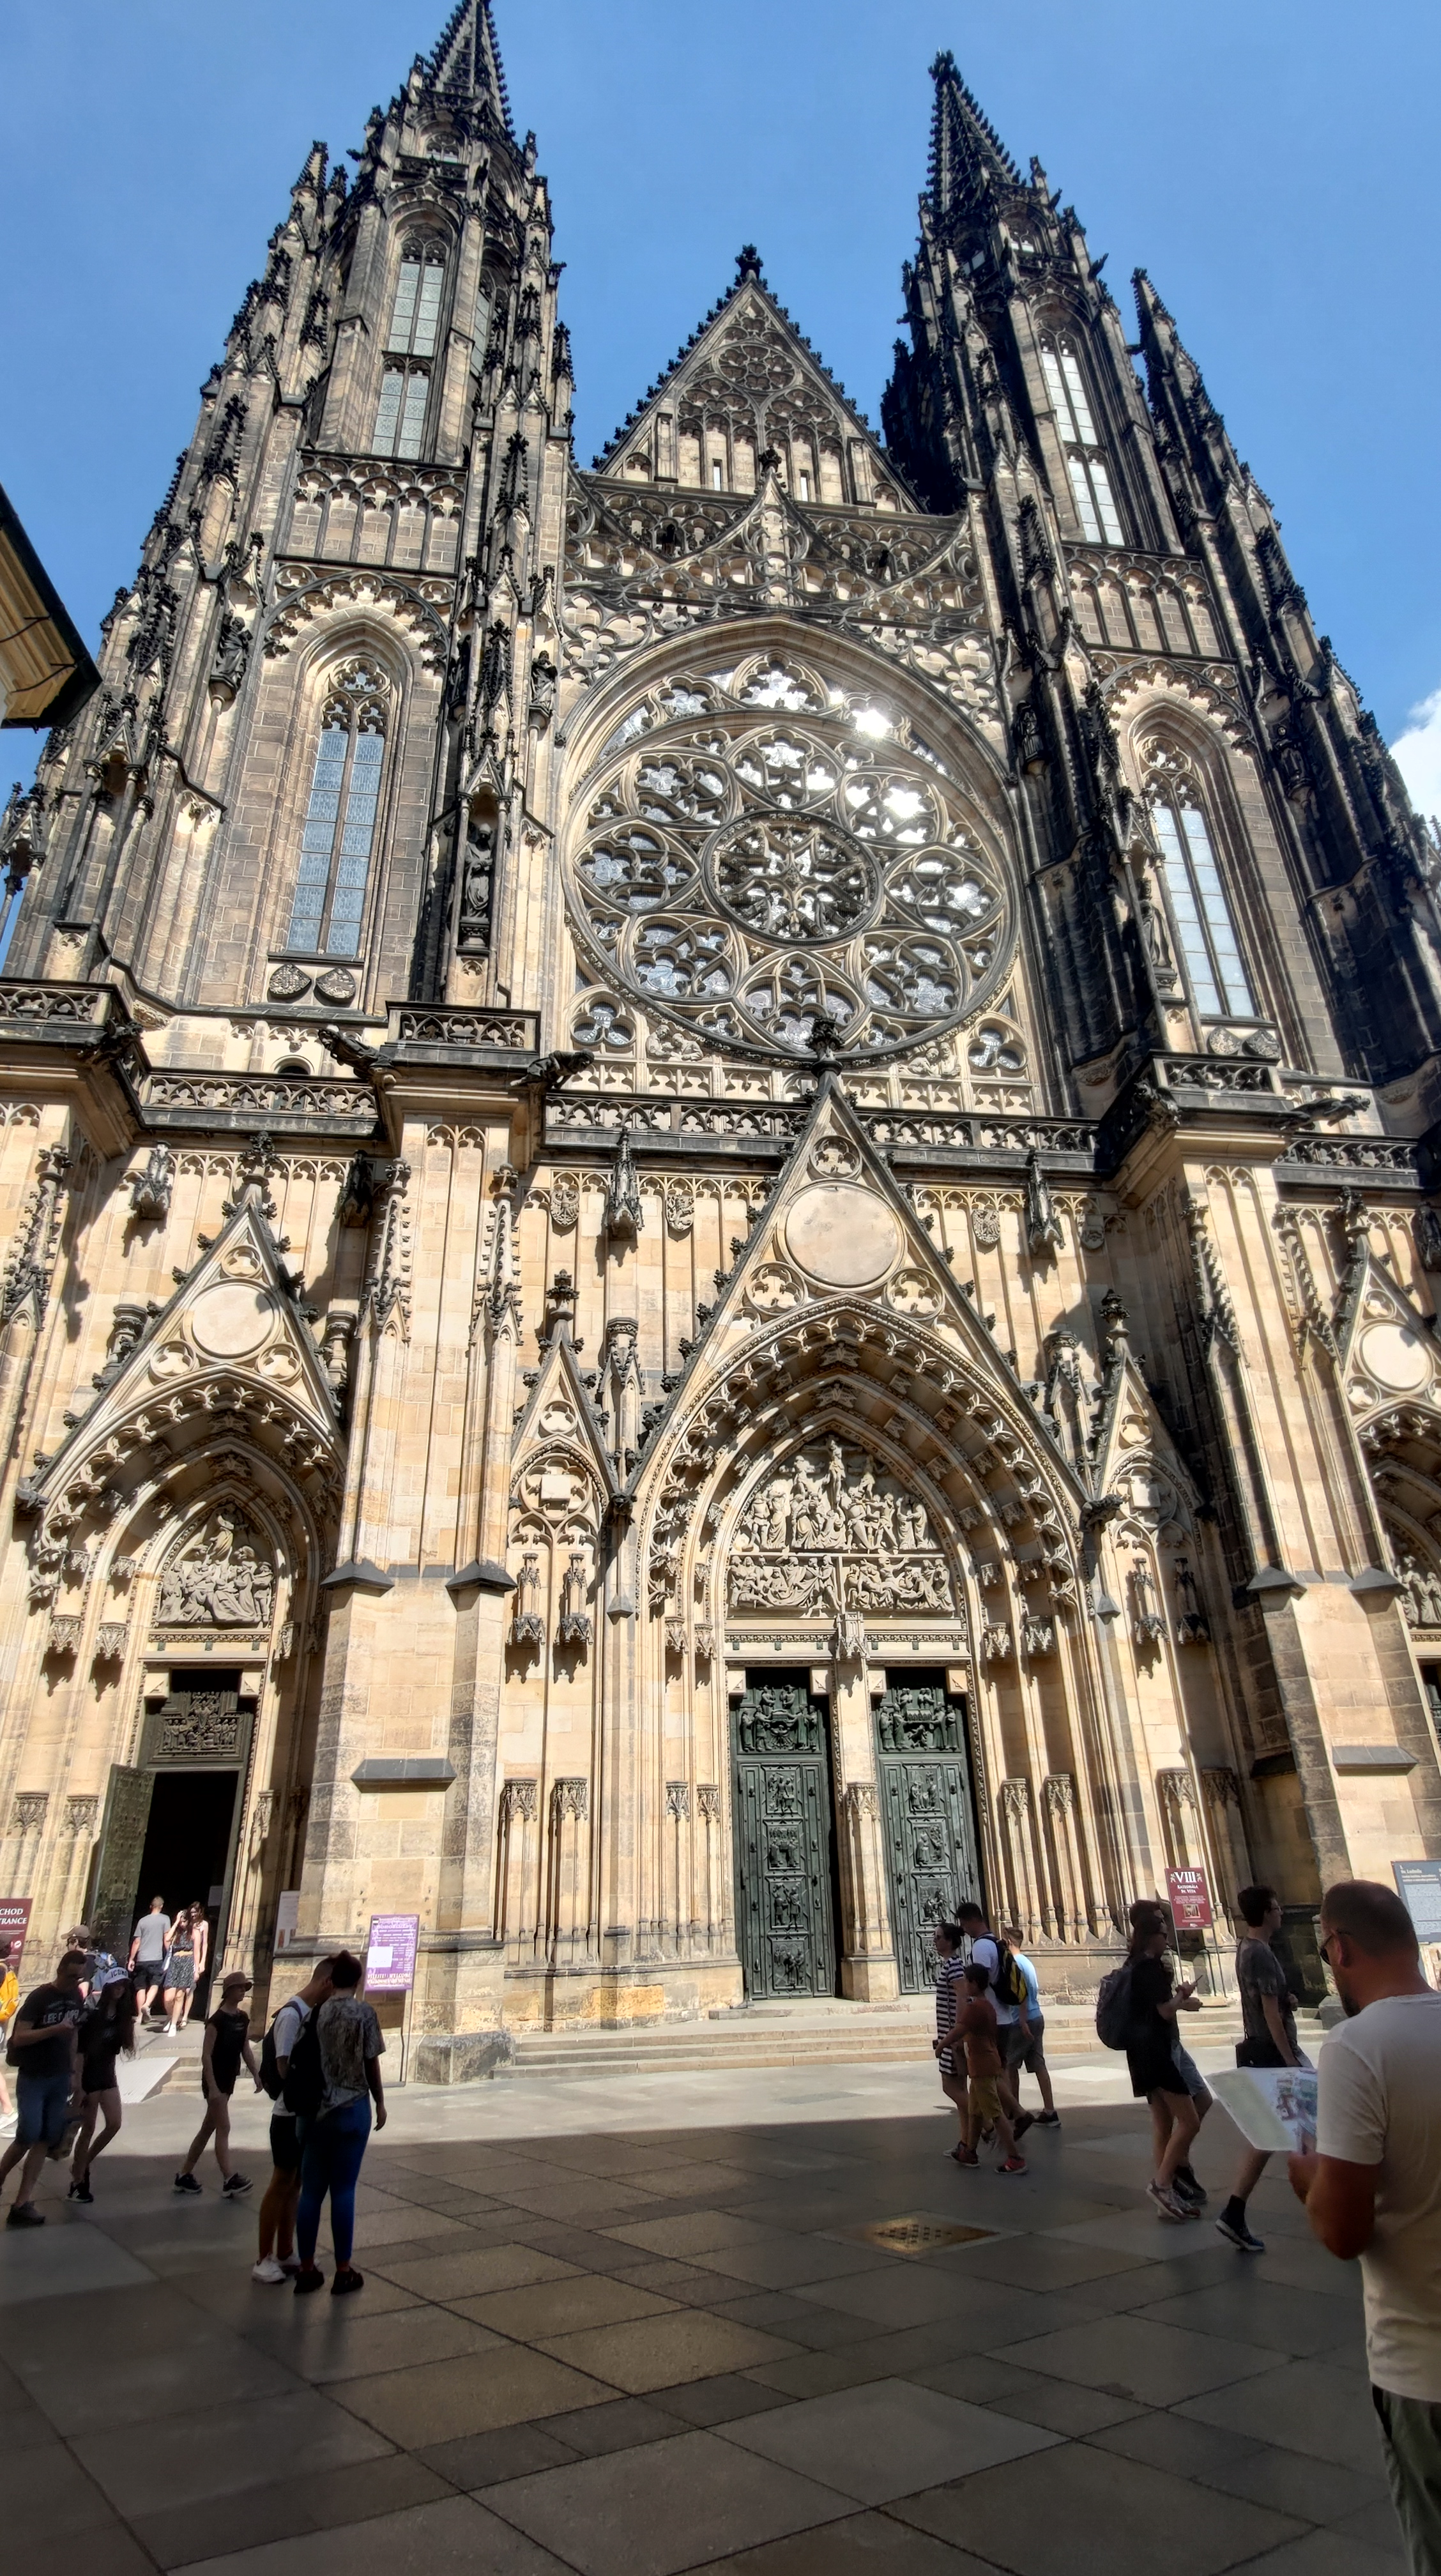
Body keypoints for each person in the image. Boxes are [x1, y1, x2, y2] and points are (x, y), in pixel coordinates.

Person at [1289, 1878, 1441, 2576]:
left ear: (1339, 1949)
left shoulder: (1356, 2047)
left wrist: (1307, 2179)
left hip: (1422, 2366)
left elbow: (1343, 2233)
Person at [1215, 1882, 1305, 2254]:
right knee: (1306, 2127)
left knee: (1272, 2135)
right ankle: (1336, 2208)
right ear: (1267, 1913)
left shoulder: (1247, 1948)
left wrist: (1285, 2000)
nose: (1282, 1912)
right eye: (1278, 1907)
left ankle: (1234, 2212)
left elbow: (1268, 2002)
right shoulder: (1262, 1954)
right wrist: (1290, 2060)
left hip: (1263, 2050)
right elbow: (1269, 2013)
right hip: (1274, 2053)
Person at [292, 1949, 386, 2296]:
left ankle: (306, 2269)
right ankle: (343, 2271)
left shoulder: (315, 2013)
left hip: (317, 2111)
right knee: (344, 2190)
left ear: (332, 1980)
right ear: (358, 1981)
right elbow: (371, 2062)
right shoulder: (364, 2013)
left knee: (311, 2192)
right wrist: (380, 2102)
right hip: (352, 2107)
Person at [1124, 1899, 1207, 2221]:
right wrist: (1181, 1997)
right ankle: (1163, 2183)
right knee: (1189, 2121)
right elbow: (1162, 2012)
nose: (1167, 1939)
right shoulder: (1151, 1969)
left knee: (1163, 2121)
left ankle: (1168, 2188)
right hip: (1157, 2052)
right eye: (1163, 1933)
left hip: (1142, 2052)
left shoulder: (1135, 1965)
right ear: (1152, 1937)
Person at [253, 1957, 335, 2285]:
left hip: (301, 2112)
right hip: (287, 2114)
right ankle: (263, 2258)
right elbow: (283, 2065)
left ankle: (285, 2251)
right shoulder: (291, 2015)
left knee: (294, 2183)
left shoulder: (308, 2012)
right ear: (327, 1983)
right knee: (281, 2181)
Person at [0, 1947, 87, 2227]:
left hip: (59, 2075)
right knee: (28, 2134)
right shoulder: (40, 1997)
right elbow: (20, 2037)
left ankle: (22, 2202)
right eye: (72, 1976)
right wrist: (54, 2030)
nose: (76, 1982)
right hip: (34, 2075)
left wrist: (74, 2071)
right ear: (60, 1970)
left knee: (46, 2137)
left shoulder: (76, 1997)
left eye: (80, 1977)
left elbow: (74, 2034)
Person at [174, 1973, 256, 2196]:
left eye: (244, 1987)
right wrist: (212, 2087)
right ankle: (229, 2178)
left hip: (229, 2079)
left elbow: (245, 2048)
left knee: (207, 2129)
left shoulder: (243, 2018)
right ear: (228, 1991)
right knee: (224, 2127)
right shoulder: (216, 2021)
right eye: (238, 1987)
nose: (242, 1991)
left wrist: (256, 2074)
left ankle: (184, 2175)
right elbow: (206, 2055)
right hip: (216, 2080)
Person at [950, 1960, 1025, 2174]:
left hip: (982, 2067)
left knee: (995, 2114)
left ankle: (1015, 2158)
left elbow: (959, 2030)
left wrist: (942, 2046)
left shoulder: (975, 2008)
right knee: (975, 2112)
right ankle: (970, 2152)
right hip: (984, 2065)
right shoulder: (988, 2006)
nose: (964, 1985)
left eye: (967, 1981)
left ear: (974, 1984)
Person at [68, 1975, 137, 2202]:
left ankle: (83, 2164)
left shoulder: (122, 2017)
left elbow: (124, 2048)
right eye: (116, 1985)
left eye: (123, 1986)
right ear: (107, 1987)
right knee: (88, 2129)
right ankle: (78, 2181)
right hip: (90, 2075)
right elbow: (80, 2052)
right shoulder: (93, 2015)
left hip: (108, 2074)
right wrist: (78, 2082)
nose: (119, 1989)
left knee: (114, 2123)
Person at [956, 1901, 1022, 2119]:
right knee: (995, 2070)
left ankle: (1010, 2115)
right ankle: (997, 2120)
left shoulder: (981, 1947)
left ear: (973, 1920)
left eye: (964, 1924)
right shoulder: (995, 1942)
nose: (964, 1929)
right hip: (1003, 2015)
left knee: (992, 2072)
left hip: (991, 2018)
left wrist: (970, 2014)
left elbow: (979, 1982)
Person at [1001, 1922, 1059, 2136]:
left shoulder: (1014, 1964)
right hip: (1037, 2016)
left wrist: (1022, 2021)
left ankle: (1014, 2110)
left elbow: (1022, 1994)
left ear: (1009, 1942)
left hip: (1021, 2020)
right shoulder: (1027, 1962)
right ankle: (1050, 2110)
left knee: (1010, 2066)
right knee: (1038, 2064)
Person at [930, 1921, 972, 2154]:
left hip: (952, 2036)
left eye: (938, 1937)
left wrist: (956, 2033)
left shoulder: (954, 1966)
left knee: (950, 2086)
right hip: (950, 2034)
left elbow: (962, 1997)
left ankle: (988, 2122)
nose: (935, 1941)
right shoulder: (952, 1965)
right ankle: (966, 2145)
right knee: (961, 2091)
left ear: (949, 1941)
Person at [162, 1903, 207, 2035]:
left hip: (187, 1962)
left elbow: (197, 1951)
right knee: (168, 1998)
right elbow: (167, 1939)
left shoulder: (194, 1932)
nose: (183, 1923)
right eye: (181, 1921)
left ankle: (173, 2025)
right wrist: (176, 1923)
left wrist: (197, 1969)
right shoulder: (176, 1932)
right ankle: (172, 2016)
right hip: (175, 1963)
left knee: (180, 1996)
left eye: (184, 1920)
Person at [129, 1896, 171, 2021]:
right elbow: (166, 1939)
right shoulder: (165, 1919)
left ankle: (140, 2016)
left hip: (141, 1959)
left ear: (151, 1906)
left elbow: (137, 1941)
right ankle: (147, 2005)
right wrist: (170, 1954)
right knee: (155, 1984)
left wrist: (132, 1959)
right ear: (162, 1907)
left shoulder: (142, 1921)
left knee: (140, 1987)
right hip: (156, 1958)